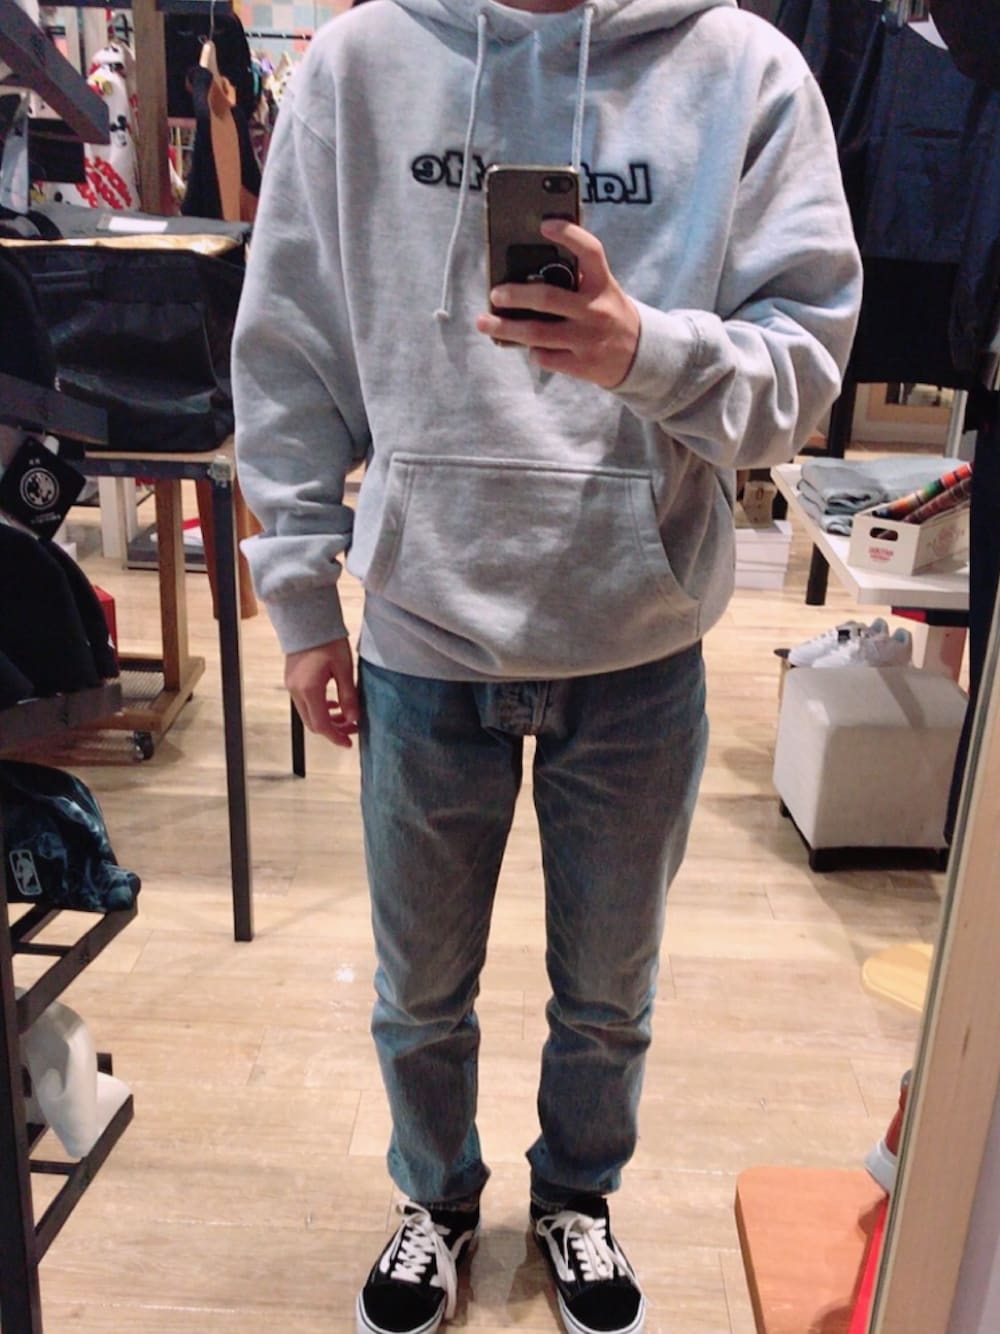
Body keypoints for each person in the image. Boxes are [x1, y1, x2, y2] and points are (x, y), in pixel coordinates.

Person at [232, 2, 862, 1332]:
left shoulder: (742, 71)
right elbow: (289, 345)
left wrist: (648, 353)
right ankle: (437, 1200)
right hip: (422, 626)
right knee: (419, 990)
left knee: (610, 993)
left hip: (635, 634)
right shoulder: (362, 64)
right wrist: (298, 596)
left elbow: (807, 374)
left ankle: (578, 1195)